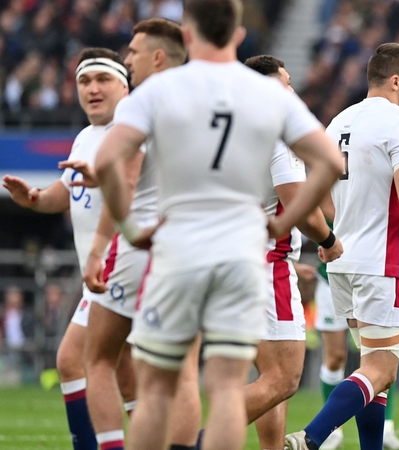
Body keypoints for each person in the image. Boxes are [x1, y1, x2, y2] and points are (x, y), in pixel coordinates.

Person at [92, 0, 343, 448]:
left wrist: (130, 230)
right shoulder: (268, 96)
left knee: (157, 388)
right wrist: (282, 223)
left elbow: (109, 160)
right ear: (239, 35)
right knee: (228, 387)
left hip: (176, 251)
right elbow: (329, 162)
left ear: (187, 34)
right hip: (240, 256)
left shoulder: (159, 91)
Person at [60, 19, 204, 450]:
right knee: (184, 372)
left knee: (97, 359)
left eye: (134, 53)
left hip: (141, 246)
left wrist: (97, 251)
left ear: (157, 57)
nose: (129, 60)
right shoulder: (206, 103)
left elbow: (124, 181)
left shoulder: (141, 104)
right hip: (198, 247)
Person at [284, 42, 399, 450]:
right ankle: (311, 437)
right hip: (382, 262)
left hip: (343, 263)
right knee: (382, 369)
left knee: (372, 370)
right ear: (396, 80)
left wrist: (341, 229)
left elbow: (322, 197)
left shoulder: (339, 122)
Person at [2, 47, 136, 450]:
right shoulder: (85, 138)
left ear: (124, 87)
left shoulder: (133, 133)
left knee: (80, 361)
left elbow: (130, 192)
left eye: (103, 79)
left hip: (129, 270)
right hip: (102, 277)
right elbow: (68, 192)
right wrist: (35, 199)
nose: (92, 89)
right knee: (118, 373)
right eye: (84, 81)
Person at [240, 54, 344, 450]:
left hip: (237, 261)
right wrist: (329, 241)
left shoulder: (234, 134)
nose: (292, 90)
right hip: (267, 269)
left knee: (269, 377)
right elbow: (297, 202)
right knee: (284, 378)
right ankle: (198, 441)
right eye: (286, 82)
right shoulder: (277, 136)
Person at [314, 247, 399, 450]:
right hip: (343, 272)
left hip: (366, 268)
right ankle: (318, 434)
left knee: (378, 362)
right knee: (343, 358)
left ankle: (386, 428)